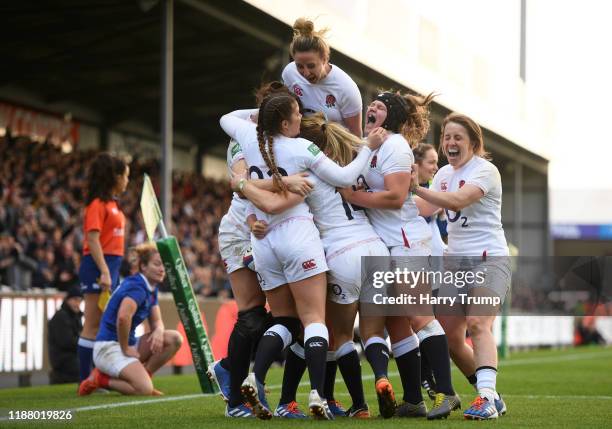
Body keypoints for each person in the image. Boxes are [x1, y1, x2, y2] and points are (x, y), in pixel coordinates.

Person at [219, 93, 382, 420]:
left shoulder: (249, 137)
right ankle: (318, 395)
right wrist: (369, 146)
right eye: (296, 113)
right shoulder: (303, 151)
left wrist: (245, 187)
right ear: (284, 122)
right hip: (299, 237)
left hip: (263, 242)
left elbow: (226, 118)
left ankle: (256, 377)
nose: (300, 118)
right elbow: (347, 178)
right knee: (313, 321)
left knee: (284, 320)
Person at [340, 91, 459, 419]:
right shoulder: (373, 148)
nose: (371, 110)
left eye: (378, 107)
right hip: (389, 244)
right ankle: (412, 400)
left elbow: (394, 197)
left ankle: (446, 393)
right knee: (398, 324)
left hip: (406, 242)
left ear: (389, 117)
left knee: (420, 318)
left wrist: (353, 195)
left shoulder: (394, 145)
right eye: (370, 106)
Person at [208, 82, 313, 419]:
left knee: (288, 318)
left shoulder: (288, 143)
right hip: (241, 230)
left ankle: (230, 369)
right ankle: (237, 400)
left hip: (269, 234)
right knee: (253, 314)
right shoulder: (246, 136)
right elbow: (240, 183)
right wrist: (286, 181)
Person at [411, 112, 510, 420]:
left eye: (458, 138)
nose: (450, 143)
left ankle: (484, 398)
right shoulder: (442, 174)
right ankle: (492, 396)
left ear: (474, 143)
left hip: (489, 259)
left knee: (479, 325)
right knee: (449, 338)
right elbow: (426, 208)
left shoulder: (486, 171)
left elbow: (455, 201)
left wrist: (414, 186)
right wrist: (385, 199)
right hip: (455, 266)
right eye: (447, 137)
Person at [78, 243, 182, 396]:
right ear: (143, 266)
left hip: (125, 343)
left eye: (163, 266)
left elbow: (156, 320)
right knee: (144, 389)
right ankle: (100, 379)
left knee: (174, 339)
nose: (162, 269)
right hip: (108, 347)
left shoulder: (150, 286)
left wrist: (159, 330)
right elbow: (123, 317)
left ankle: (144, 377)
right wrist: (126, 347)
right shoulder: (137, 287)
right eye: (157, 264)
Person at [77, 153, 129, 383]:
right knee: (92, 324)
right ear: (116, 177)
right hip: (98, 266)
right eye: (126, 175)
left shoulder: (113, 204)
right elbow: (92, 239)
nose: (127, 180)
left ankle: (96, 377)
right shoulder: (97, 204)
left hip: (112, 266)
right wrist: (105, 271)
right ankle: (85, 379)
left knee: (102, 325)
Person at [282, 18, 363, 137]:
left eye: (311, 66)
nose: (306, 73)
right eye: (299, 66)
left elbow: (356, 136)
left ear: (325, 59)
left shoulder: (347, 88)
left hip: (332, 151)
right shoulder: (289, 73)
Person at [48, 288, 83, 384]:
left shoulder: (76, 316)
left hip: (71, 357)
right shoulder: (61, 317)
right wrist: (83, 341)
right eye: (75, 300)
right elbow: (67, 342)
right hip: (64, 360)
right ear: (68, 300)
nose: (77, 303)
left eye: (80, 300)